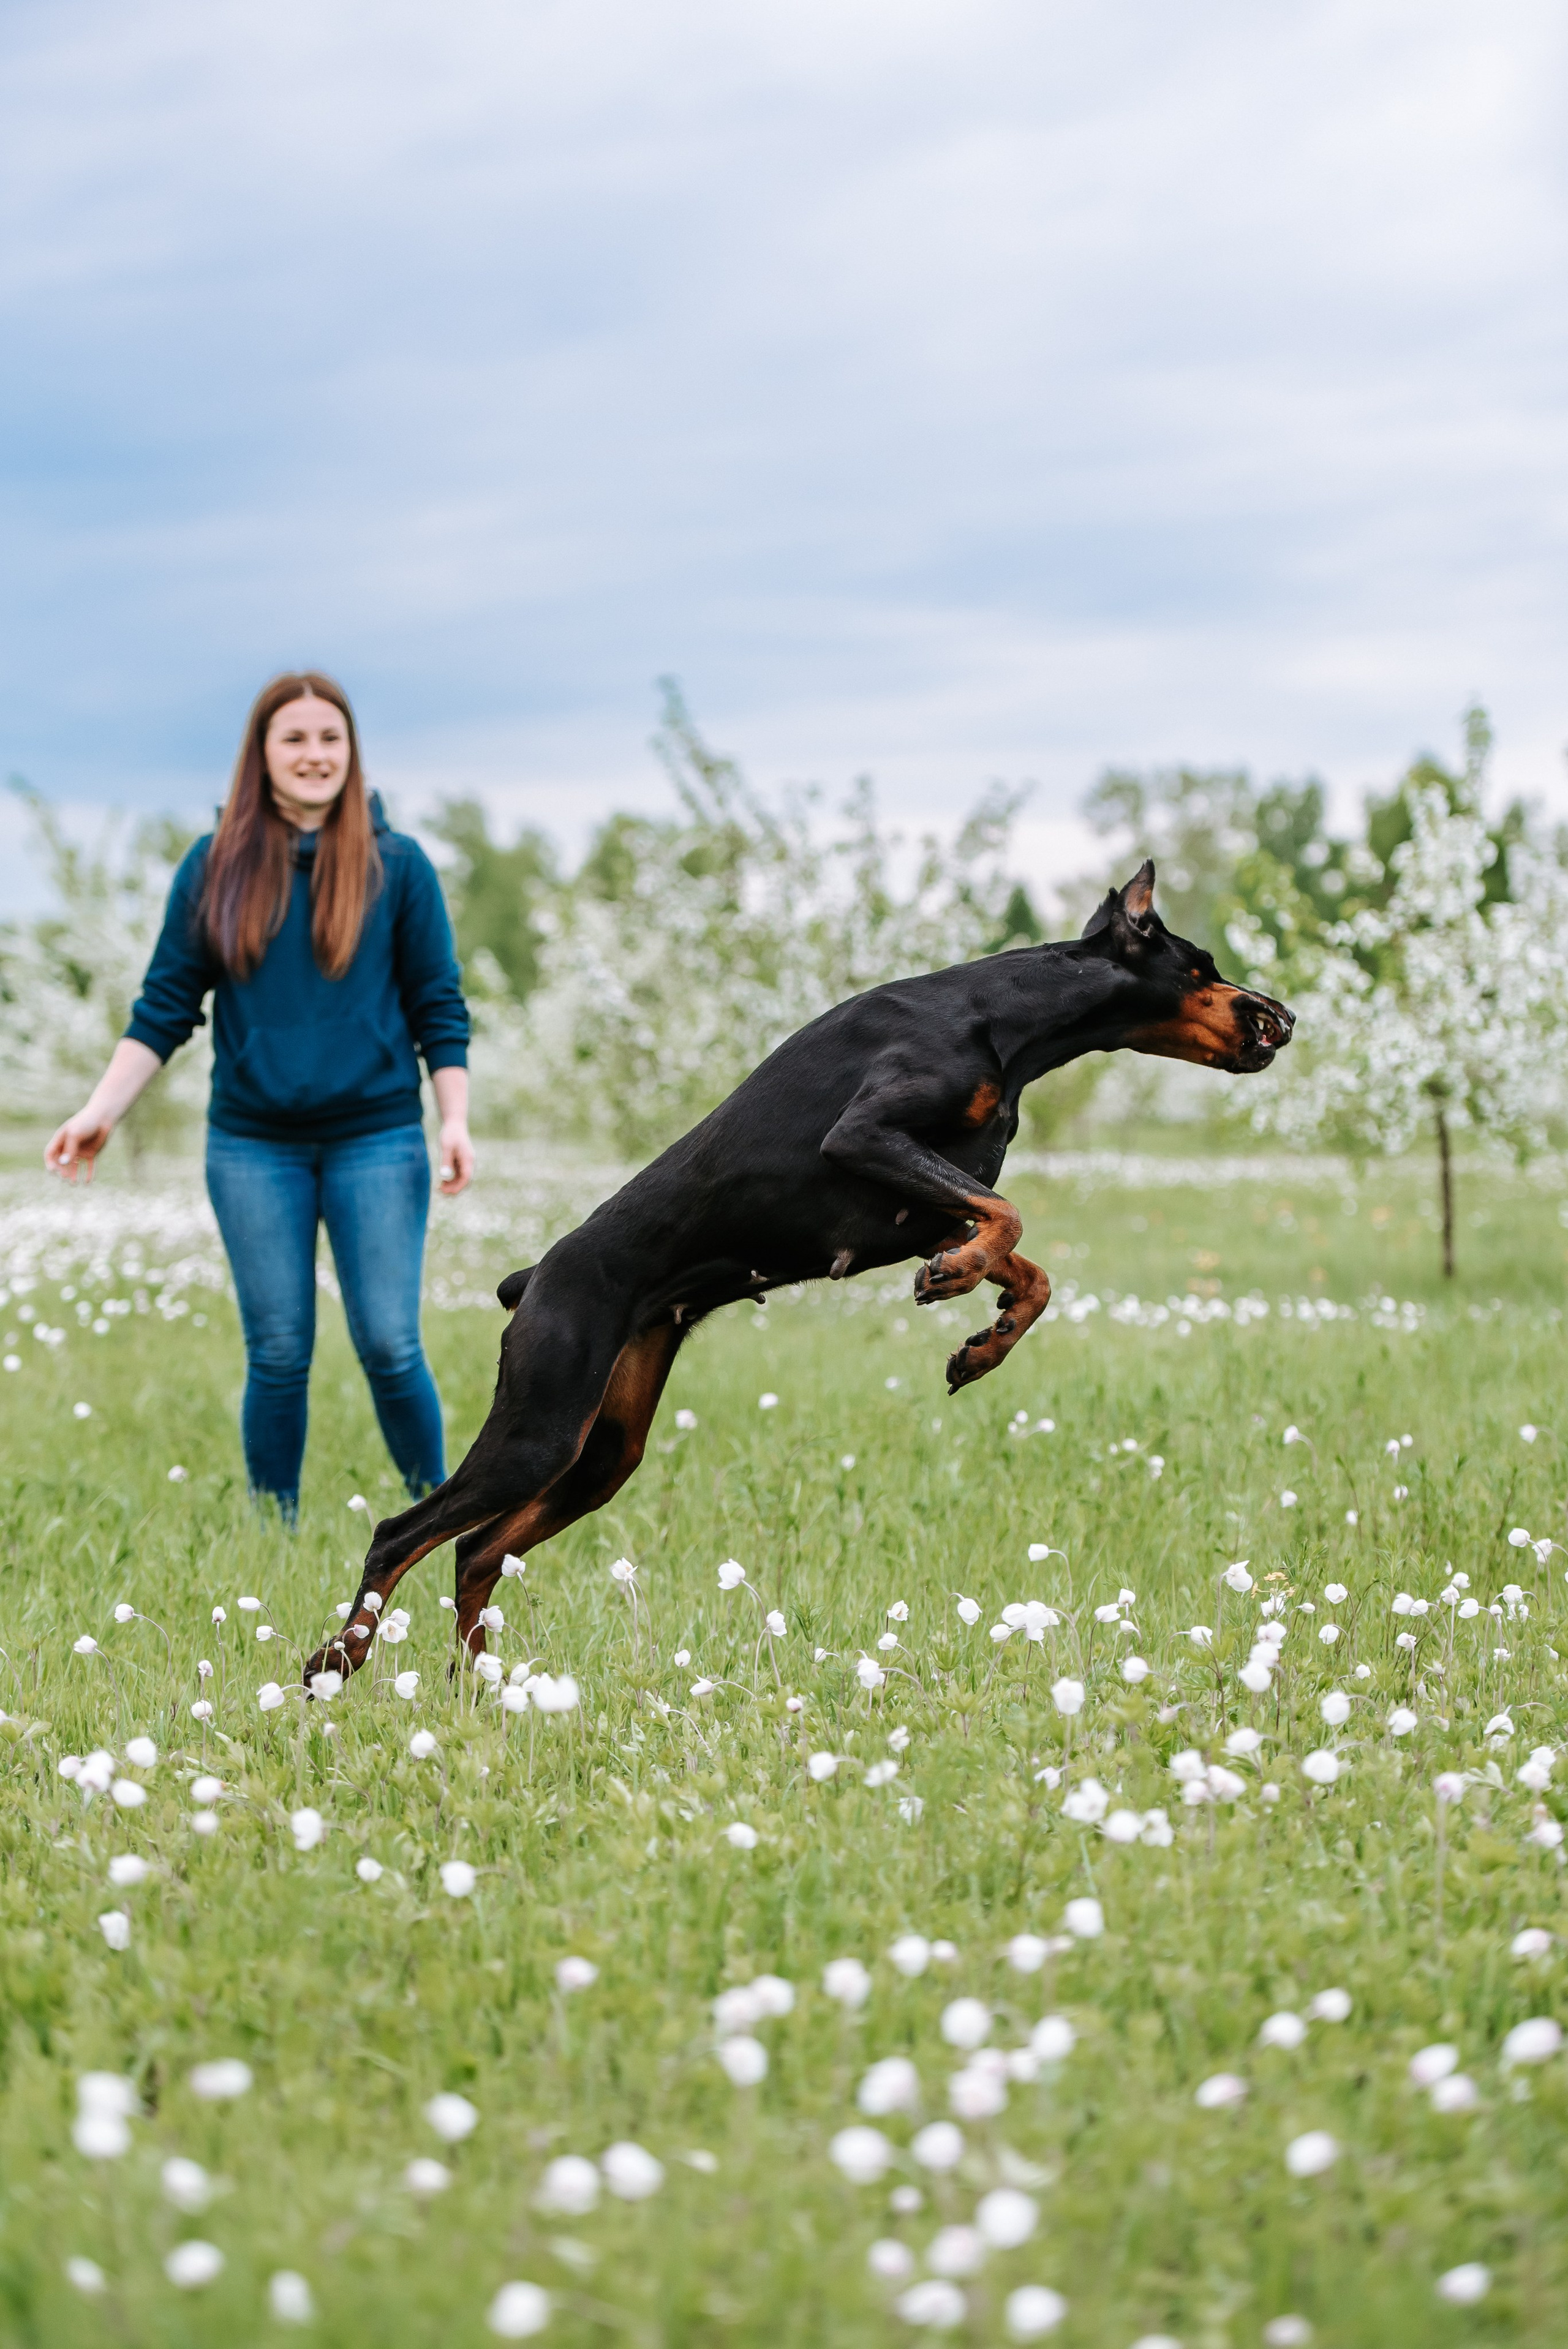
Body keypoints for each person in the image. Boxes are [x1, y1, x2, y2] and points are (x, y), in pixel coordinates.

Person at [44, 671, 473, 1522]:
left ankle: (441, 1516)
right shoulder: (215, 866)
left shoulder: (398, 866)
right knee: (278, 1350)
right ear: (262, 754)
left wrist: (454, 1118)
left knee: (390, 1344)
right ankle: (271, 1527)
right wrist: (101, 1110)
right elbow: (166, 1007)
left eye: (330, 739)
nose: (314, 755)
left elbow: (439, 1006)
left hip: (378, 1139)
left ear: (350, 753)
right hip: (252, 1148)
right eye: (295, 739)